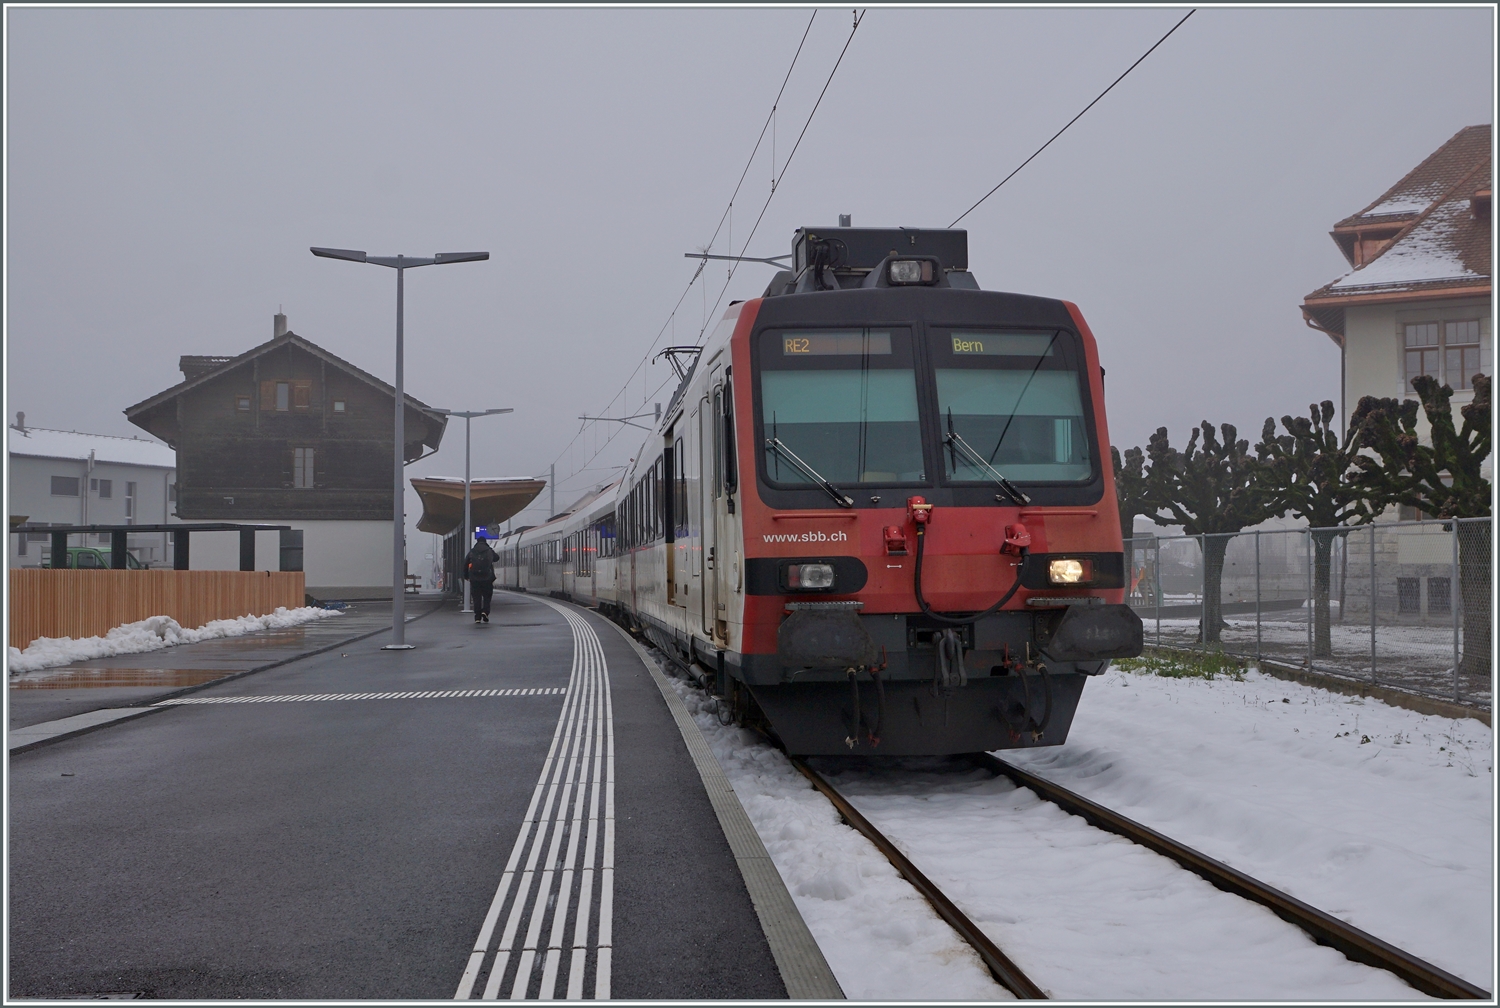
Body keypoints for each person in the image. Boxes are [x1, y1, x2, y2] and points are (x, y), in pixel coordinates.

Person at [464, 536, 499, 623]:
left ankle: (477, 617)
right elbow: (496, 558)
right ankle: (485, 612)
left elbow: (465, 564)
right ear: (485, 541)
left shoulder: (472, 551)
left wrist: (466, 576)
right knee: (487, 597)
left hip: (474, 578)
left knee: (476, 598)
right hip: (487, 578)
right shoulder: (489, 550)